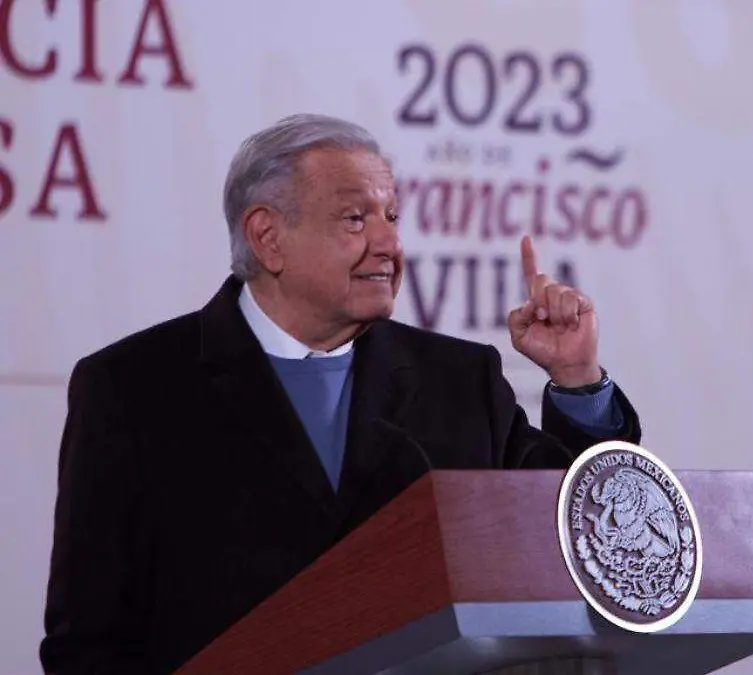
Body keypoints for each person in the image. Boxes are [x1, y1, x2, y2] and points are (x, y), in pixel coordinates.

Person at [39, 114, 641, 674]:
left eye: (392, 217)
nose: (389, 244)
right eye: (356, 219)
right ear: (268, 236)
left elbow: (581, 545)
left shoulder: (459, 379)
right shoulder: (132, 389)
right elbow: (87, 643)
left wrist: (577, 379)